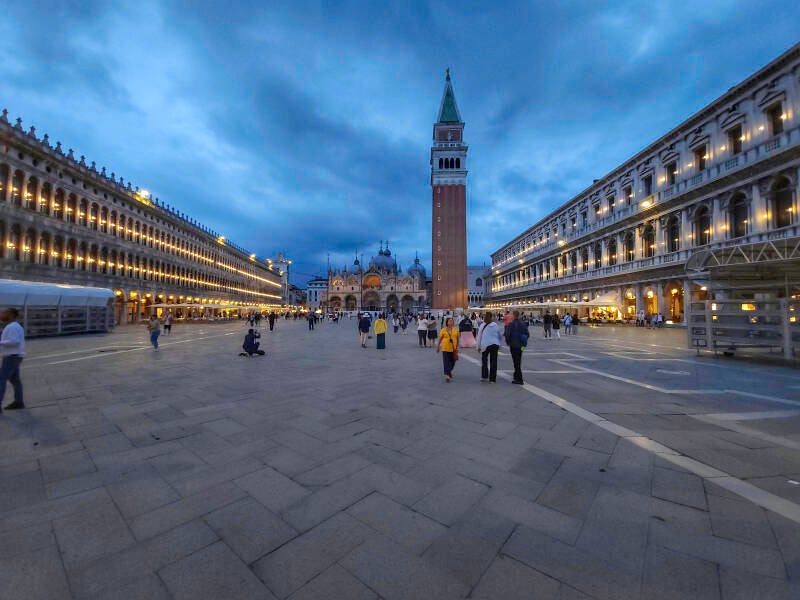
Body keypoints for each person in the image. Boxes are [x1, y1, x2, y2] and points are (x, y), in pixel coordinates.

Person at [0, 308, 26, 411]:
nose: (1, 315)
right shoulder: (15, 326)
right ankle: (19, 402)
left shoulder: (12, 327)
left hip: (12, 357)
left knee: (1, 379)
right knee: (15, 380)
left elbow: (14, 341)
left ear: (11, 314)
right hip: (15, 356)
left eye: (3, 313)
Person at [476, 312, 502, 383]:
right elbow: (499, 335)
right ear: (491, 317)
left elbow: (479, 337)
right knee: (494, 361)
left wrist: (478, 346)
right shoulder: (495, 325)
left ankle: (484, 376)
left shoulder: (482, 325)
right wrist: (499, 344)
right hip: (495, 344)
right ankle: (492, 379)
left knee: (484, 360)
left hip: (485, 345)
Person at [504, 310, 529, 385]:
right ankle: (516, 375)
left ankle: (519, 379)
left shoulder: (511, 324)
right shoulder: (523, 324)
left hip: (513, 345)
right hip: (521, 346)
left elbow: (507, 335)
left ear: (513, 315)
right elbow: (527, 334)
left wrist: (508, 342)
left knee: (516, 361)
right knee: (518, 359)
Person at [436, 317, 459, 382]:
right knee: (446, 362)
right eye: (449, 321)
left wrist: (457, 347)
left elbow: (458, 339)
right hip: (445, 348)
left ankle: (449, 371)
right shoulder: (443, 330)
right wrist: (438, 346)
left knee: (453, 362)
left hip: (453, 348)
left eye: (452, 321)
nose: (451, 322)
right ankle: (447, 376)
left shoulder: (456, 330)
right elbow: (440, 339)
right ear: (447, 322)